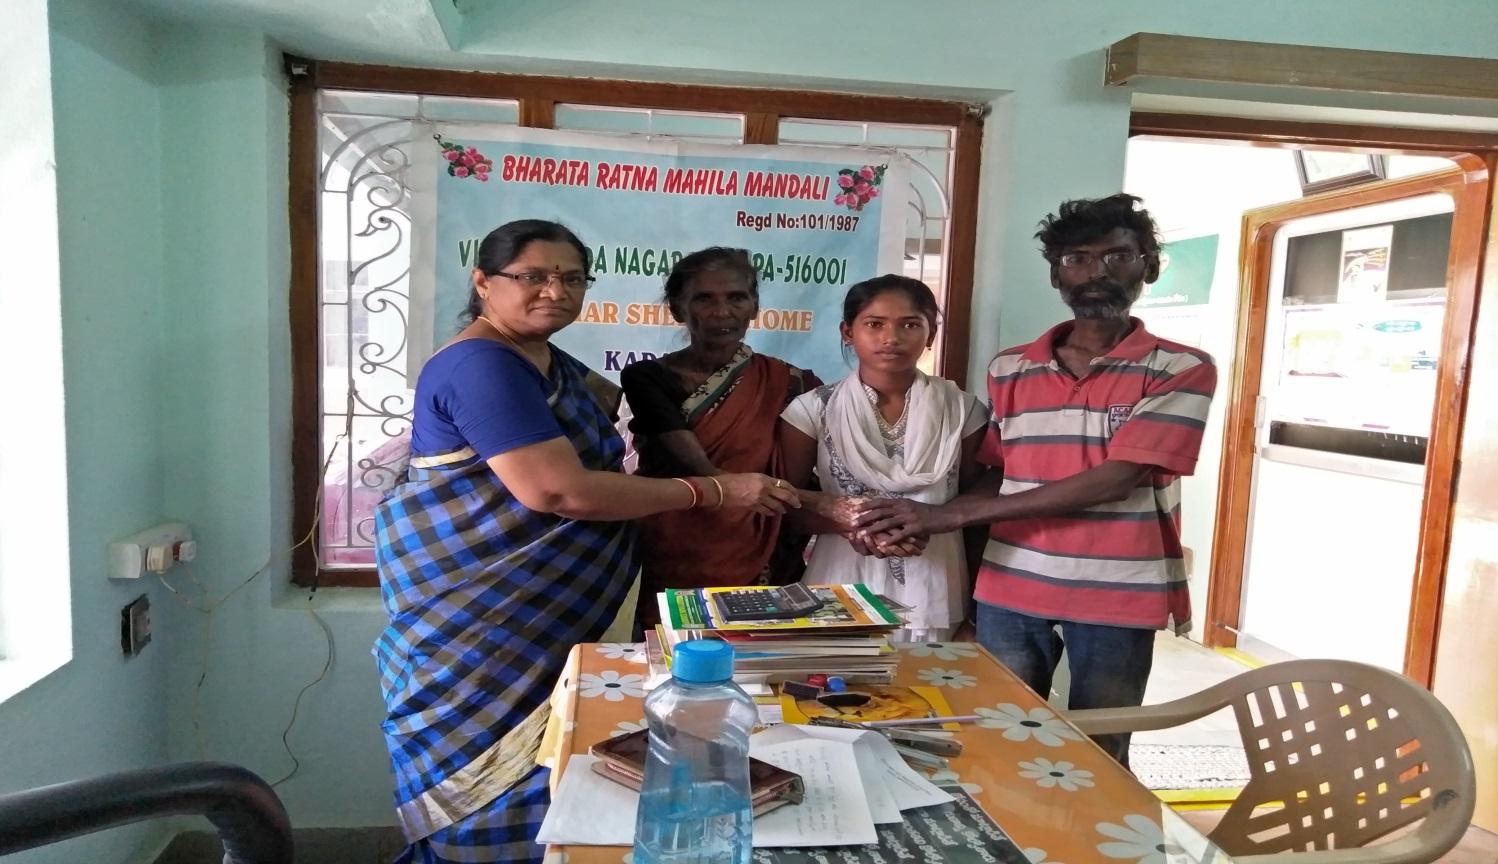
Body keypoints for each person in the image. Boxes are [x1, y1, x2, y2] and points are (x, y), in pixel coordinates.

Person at [372, 219, 798, 864]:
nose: (555, 291)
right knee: (482, 792)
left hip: (539, 619)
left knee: (552, 780)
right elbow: (558, 491)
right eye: (533, 276)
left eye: (572, 278)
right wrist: (712, 491)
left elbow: (615, 407)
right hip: (483, 628)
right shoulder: (479, 365)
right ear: (483, 282)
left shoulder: (548, 363)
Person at [856, 195, 1217, 765]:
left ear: (1147, 266)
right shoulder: (1011, 367)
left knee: (1101, 748)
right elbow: (1001, 472)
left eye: (1117, 256)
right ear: (1056, 274)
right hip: (1012, 584)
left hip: (1118, 591)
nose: (1097, 272)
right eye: (1077, 259)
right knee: (1000, 738)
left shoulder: (1180, 368)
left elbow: (1115, 479)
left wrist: (947, 515)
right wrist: (917, 518)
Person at [621, 248, 821, 628]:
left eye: (736, 298)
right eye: (704, 299)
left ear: (754, 306)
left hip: (764, 551)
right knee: (675, 654)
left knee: (760, 659)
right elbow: (694, 463)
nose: (721, 311)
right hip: (675, 548)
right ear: (678, 309)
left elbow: (804, 478)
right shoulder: (646, 378)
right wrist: (730, 486)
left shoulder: (791, 383)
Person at [779, 275, 987, 641]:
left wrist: (975, 612)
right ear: (848, 332)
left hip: (938, 587)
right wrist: (855, 526)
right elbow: (789, 509)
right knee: (841, 675)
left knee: (933, 677)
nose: (891, 338)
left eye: (910, 325)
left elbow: (974, 511)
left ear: (931, 334)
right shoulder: (811, 411)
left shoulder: (963, 410)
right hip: (841, 579)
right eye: (875, 324)